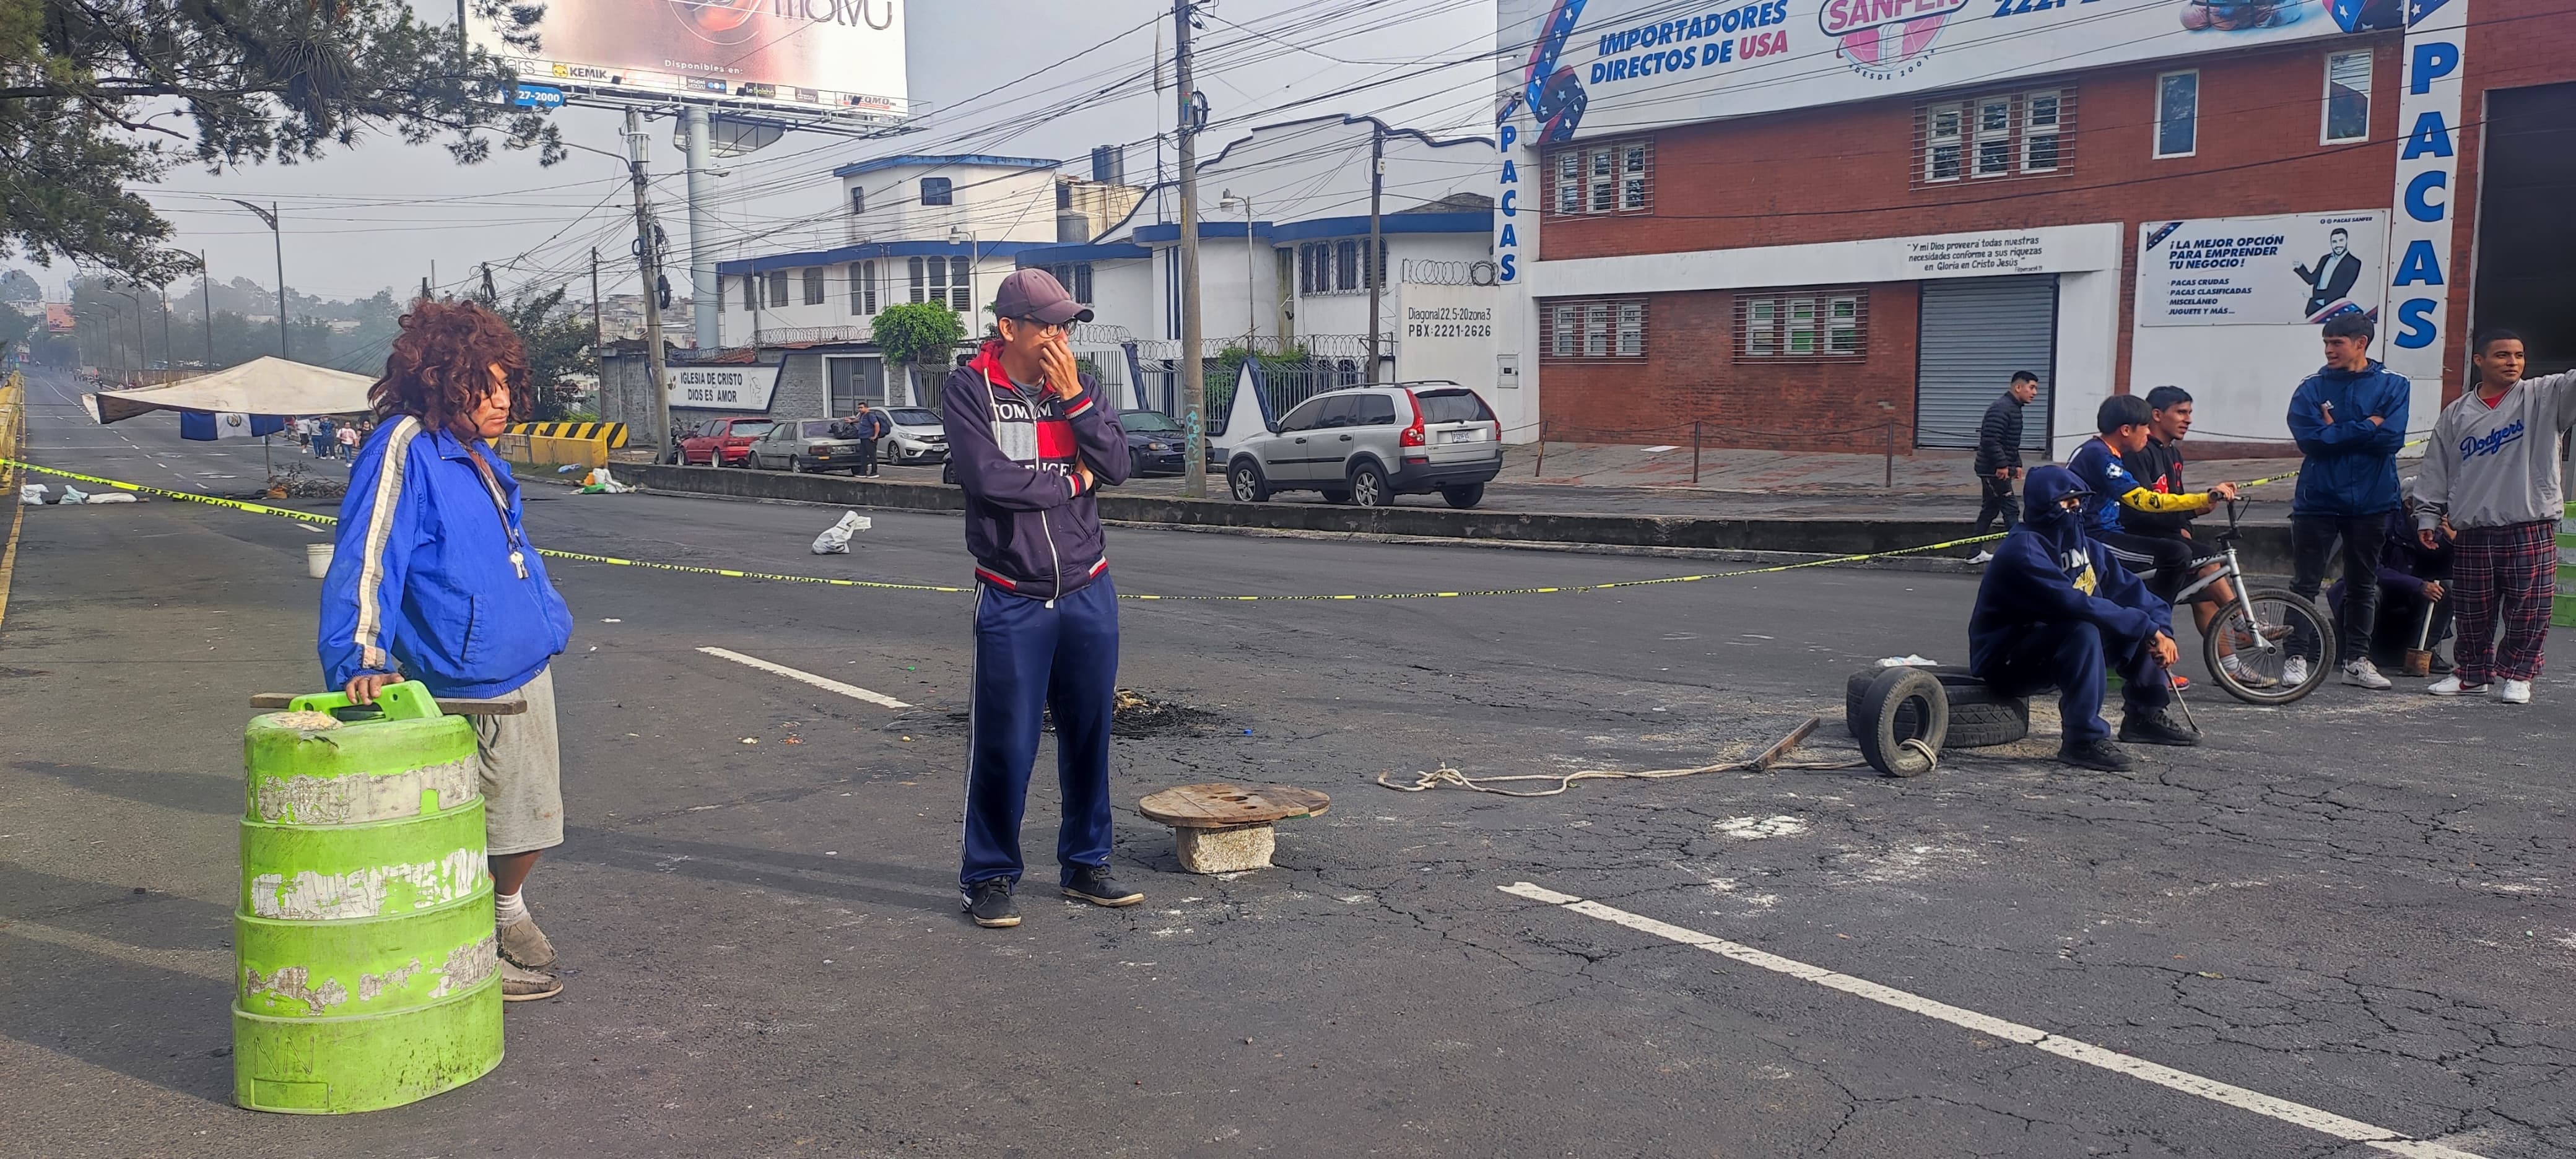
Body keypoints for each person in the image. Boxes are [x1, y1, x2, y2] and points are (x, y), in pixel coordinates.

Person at [316, 298, 576, 1001]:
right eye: (482, 388)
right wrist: (361, 655)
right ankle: (472, 953)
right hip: (464, 676)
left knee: (531, 819)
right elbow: (370, 554)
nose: (502, 403)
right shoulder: (404, 447)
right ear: (438, 382)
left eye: (504, 387)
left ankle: (503, 911)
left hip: (520, 665)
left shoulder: (476, 454)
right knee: (472, 827)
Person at [944, 268, 1136, 929]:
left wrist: (1075, 396)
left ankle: (1086, 864)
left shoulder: (1078, 391)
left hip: (1088, 589)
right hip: (1012, 596)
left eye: (1066, 326)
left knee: (1089, 734)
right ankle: (988, 876)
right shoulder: (971, 389)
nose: (1060, 337)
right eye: (1049, 326)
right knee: (1006, 743)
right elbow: (991, 481)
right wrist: (1073, 484)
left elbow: (1117, 464)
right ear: (1010, 329)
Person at [1969, 464, 2198, 771]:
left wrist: (2160, 630)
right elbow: (2074, 603)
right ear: (2045, 505)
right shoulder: (2023, 552)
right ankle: (2082, 740)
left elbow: (2131, 590)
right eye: (2067, 502)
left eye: (2079, 502)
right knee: (2085, 629)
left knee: (2139, 619)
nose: (2076, 509)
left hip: (2052, 645)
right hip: (2007, 659)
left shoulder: (2087, 546)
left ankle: (2145, 715)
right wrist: (2147, 628)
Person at [2408, 328, 2576, 704]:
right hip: (2472, 529)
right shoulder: (2457, 413)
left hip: (2528, 524)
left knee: (2530, 608)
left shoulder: (2544, 396)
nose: (2512, 362)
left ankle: (2518, 675)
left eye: (2518, 355)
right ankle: (2471, 674)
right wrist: (2428, 517)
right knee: (2472, 610)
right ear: (2479, 361)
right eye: (2501, 355)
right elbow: (2436, 469)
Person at [2066, 394, 2239, 687]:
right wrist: (2202, 499)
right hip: (2091, 539)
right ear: (2125, 430)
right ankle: (2156, 643)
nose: (2148, 433)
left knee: (2180, 554)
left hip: (2109, 532)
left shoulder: (2107, 452)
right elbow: (2145, 501)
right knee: (2174, 556)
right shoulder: (2100, 456)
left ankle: (2153, 635)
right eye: (2144, 427)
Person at [2285, 312, 2410, 690]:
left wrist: (2336, 430)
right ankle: (2296, 656)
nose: (2328, 350)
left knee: (2363, 583)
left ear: (2361, 343)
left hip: (2372, 500)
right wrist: (2367, 424)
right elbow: (2310, 441)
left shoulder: (2395, 385)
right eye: (2326, 343)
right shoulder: (2310, 387)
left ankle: (2357, 660)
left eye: (2336, 343)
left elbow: (2391, 439)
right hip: (2317, 498)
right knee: (2305, 583)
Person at [2120, 386, 2262, 684]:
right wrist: (2192, 511)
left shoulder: (2173, 454)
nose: (2188, 420)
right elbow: (2142, 509)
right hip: (2137, 541)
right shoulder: (2139, 454)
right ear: (2157, 415)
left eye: (2190, 413)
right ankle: (2241, 622)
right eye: (2181, 412)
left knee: (2206, 589)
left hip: (2168, 537)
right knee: (2205, 563)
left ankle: (2231, 666)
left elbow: (2178, 503)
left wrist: (2196, 514)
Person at [2325, 506, 2455, 673]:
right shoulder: (2384, 523)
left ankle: (2424, 651)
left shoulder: (2436, 532)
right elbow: (2371, 568)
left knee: (2448, 589)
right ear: (2410, 506)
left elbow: (2450, 573)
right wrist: (2418, 585)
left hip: (2410, 602)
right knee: (2370, 591)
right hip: (2379, 592)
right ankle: (2360, 653)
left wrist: (2452, 543)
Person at [1971, 370, 2040, 553]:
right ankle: (2020, 553)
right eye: (2031, 388)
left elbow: (2010, 442)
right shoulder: (2001, 408)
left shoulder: (2013, 408)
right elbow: (1990, 440)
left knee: (1990, 510)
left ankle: (1974, 552)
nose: (2035, 393)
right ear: (2018, 387)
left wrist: (2016, 464)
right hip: (1992, 470)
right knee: (2011, 510)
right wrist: (2002, 465)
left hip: (1997, 468)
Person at [2294, 228, 2362, 319]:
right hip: (2314, 309)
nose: (2338, 245)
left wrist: (2314, 294)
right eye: (2334, 242)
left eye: (2341, 240)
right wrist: (2301, 267)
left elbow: (2340, 291)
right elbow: (2312, 280)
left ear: (2347, 240)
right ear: (2331, 243)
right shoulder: (2325, 259)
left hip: (2332, 310)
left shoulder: (2354, 263)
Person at [841, 401, 890, 477]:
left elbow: (876, 424)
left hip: (869, 439)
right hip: (863, 438)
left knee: (872, 455)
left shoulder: (870, 415)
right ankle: (863, 472)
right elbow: (858, 420)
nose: (860, 409)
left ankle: (874, 472)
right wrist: (851, 421)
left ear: (866, 408)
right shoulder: (862, 415)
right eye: (859, 408)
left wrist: (875, 436)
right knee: (863, 455)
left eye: (861, 408)